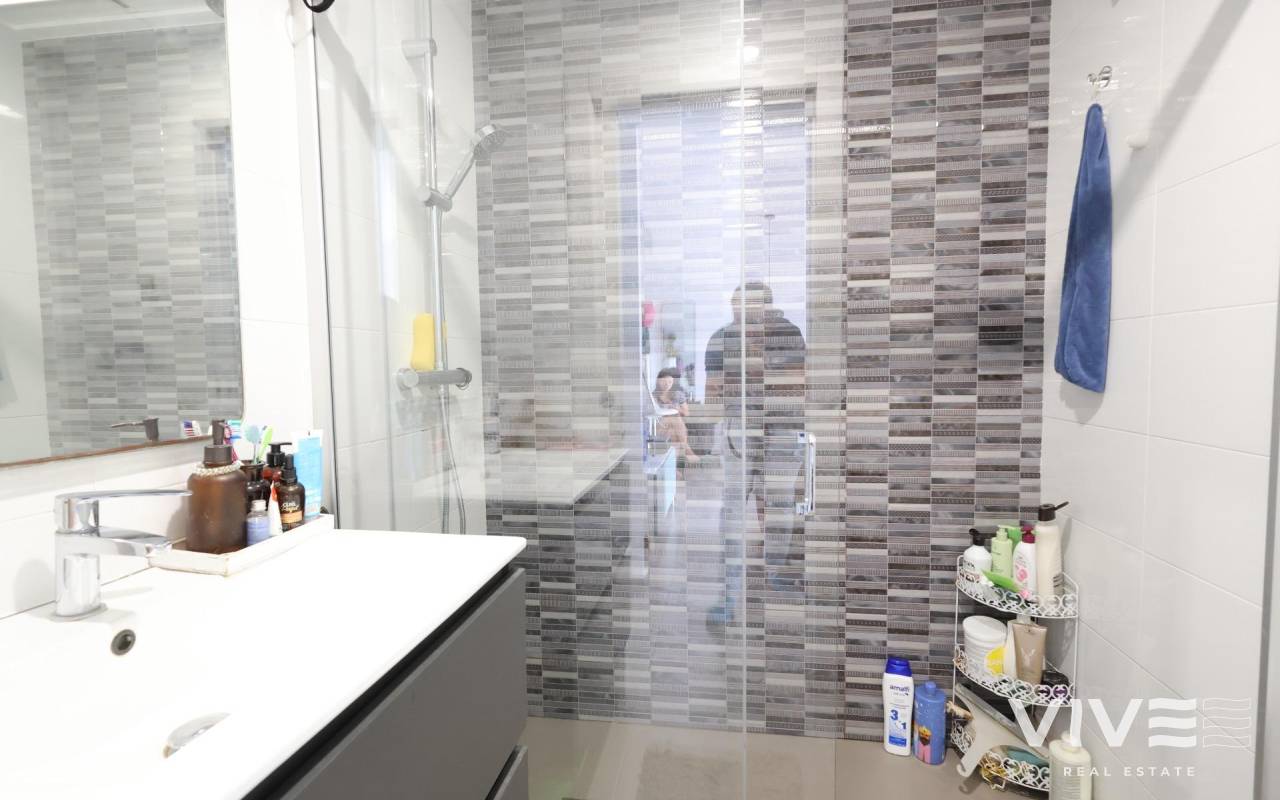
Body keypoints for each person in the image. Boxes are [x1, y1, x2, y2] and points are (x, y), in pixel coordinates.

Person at [703, 281, 806, 630]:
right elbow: (713, 394)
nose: (742, 315)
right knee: (733, 508)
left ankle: (774, 571)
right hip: (739, 429)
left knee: (778, 504)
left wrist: (753, 369)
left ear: (767, 307)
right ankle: (729, 593)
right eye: (737, 308)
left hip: (784, 427)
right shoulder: (721, 338)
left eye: (750, 308)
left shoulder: (788, 333)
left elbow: (798, 385)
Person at [653, 366, 699, 464]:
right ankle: (687, 450)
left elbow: (686, 413)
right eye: (664, 381)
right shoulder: (653, 397)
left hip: (672, 429)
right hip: (659, 426)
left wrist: (677, 409)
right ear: (658, 381)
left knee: (673, 432)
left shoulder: (678, 394)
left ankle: (674, 468)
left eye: (670, 382)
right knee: (675, 418)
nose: (667, 384)